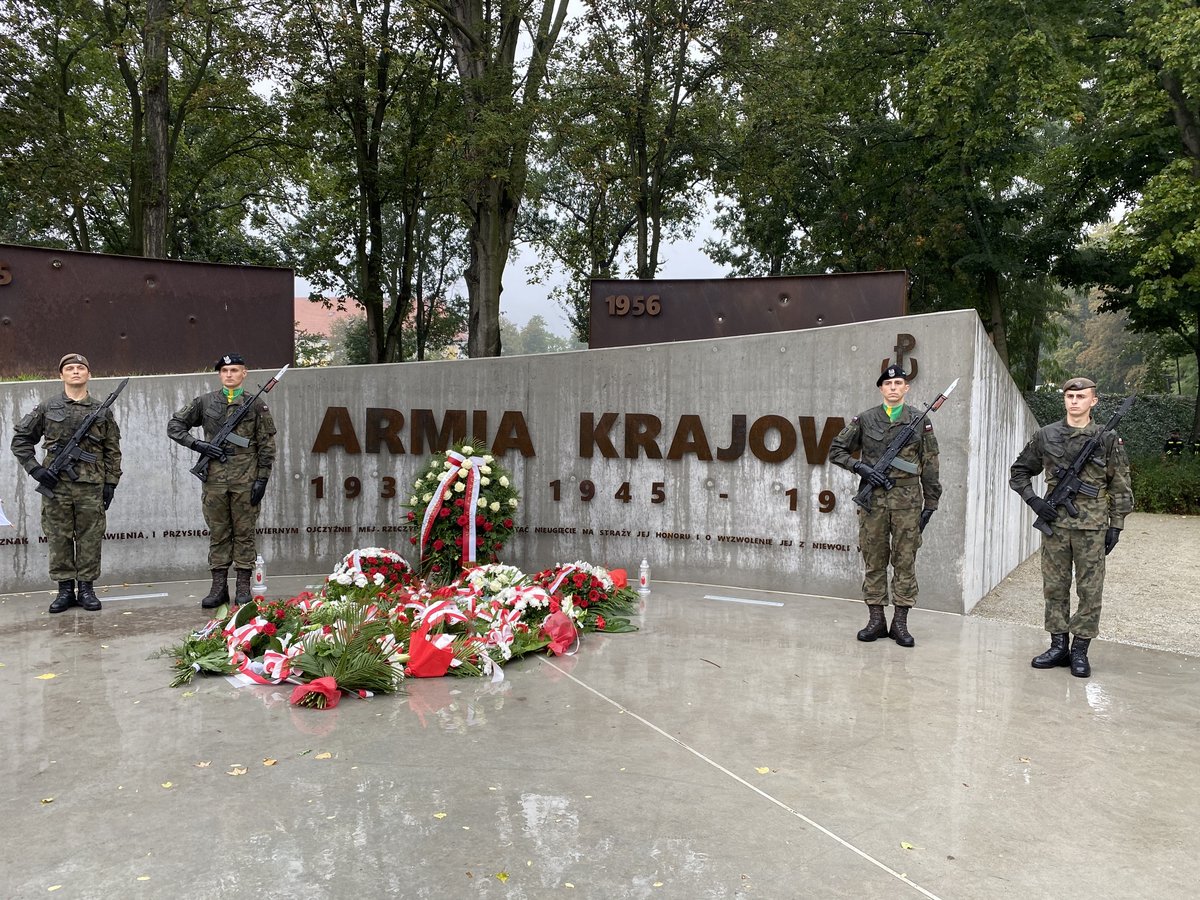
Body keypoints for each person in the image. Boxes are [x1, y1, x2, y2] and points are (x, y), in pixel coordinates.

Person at [1009, 377, 1133, 677]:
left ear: (1094, 401)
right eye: (1070, 396)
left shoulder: (1107, 438)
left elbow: (1120, 484)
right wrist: (1034, 501)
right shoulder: (1046, 435)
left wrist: (1116, 525)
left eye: (1081, 396)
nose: (1074, 401)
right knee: (1054, 586)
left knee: (1090, 589)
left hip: (1092, 528)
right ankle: (1058, 646)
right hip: (1055, 525)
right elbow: (1019, 472)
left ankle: (1080, 650)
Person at [829, 365, 941, 647]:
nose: (893, 387)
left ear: (906, 388)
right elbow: (836, 450)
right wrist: (861, 468)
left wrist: (931, 502)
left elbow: (930, 463)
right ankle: (876, 620)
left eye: (898, 383)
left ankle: (900, 623)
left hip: (908, 502)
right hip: (873, 501)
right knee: (874, 559)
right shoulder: (865, 419)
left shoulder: (919, 420)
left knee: (905, 561)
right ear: (881, 388)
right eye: (888, 383)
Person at [10, 353, 122, 613]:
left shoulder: (102, 411)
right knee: (58, 537)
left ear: (88, 374)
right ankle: (64, 590)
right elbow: (21, 440)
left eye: (80, 368)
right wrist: (36, 470)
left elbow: (112, 450)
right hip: (56, 487)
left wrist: (111, 482)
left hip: (91, 486)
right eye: (69, 368)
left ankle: (86, 589)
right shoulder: (47, 407)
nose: (75, 371)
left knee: (90, 537)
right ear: (61, 375)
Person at [168, 354, 276, 608]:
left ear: (244, 373)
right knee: (218, 533)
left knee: (244, 533)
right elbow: (175, 426)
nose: (229, 374)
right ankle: (218, 587)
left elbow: (266, 444)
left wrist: (262, 479)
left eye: (234, 370)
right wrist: (199, 445)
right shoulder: (205, 402)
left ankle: (243, 586)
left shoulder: (255, 405)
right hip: (214, 479)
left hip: (246, 478)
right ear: (219, 374)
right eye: (225, 370)